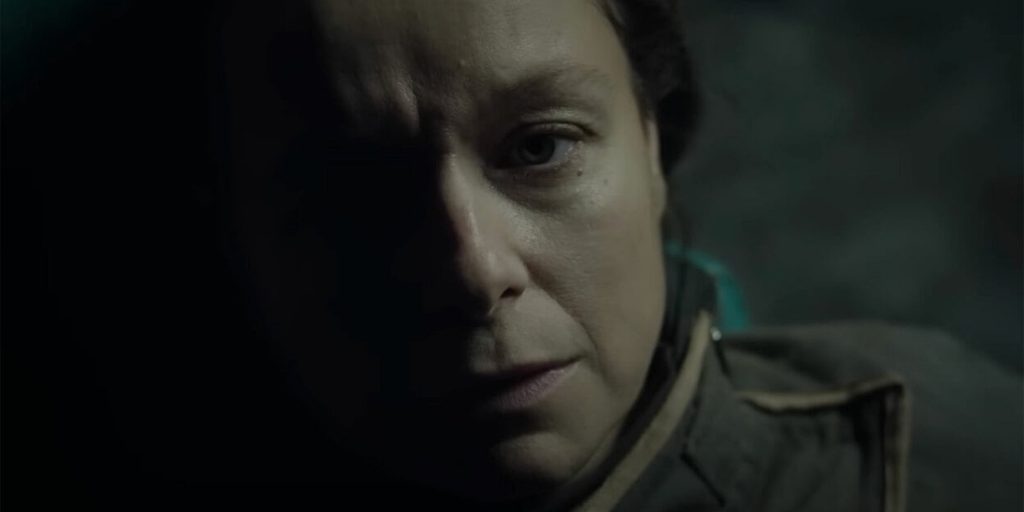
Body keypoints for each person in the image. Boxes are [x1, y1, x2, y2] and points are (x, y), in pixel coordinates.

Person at [10, 1, 1019, 511]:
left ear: (653, 142)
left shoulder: (936, 450)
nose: (470, 269)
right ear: (236, 232)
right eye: (350, 190)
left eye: (539, 147)